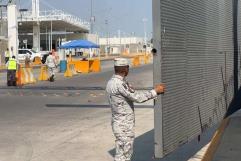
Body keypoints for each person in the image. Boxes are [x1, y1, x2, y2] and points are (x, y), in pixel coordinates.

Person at [106, 58, 166, 161]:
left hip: (119, 123)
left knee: (122, 153)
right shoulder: (120, 84)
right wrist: (155, 91)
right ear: (125, 69)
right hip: (123, 125)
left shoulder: (112, 82)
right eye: (128, 68)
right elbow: (138, 97)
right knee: (124, 155)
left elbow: (131, 94)